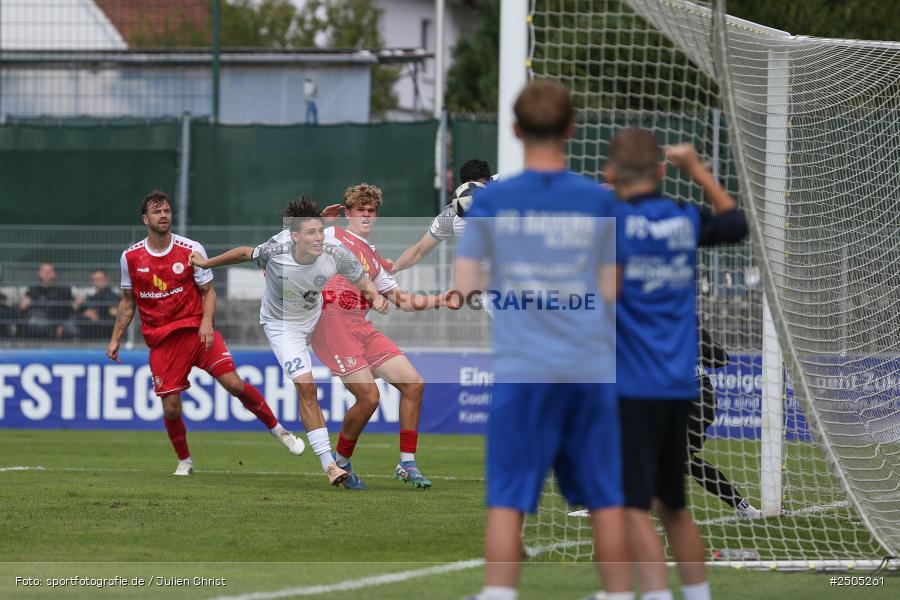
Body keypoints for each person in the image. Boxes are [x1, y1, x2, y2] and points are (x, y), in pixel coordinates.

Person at [454, 80, 630, 600]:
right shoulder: (598, 201)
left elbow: (465, 288)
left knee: (508, 499)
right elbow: (612, 290)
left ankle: (500, 591)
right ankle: (619, 593)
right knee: (604, 497)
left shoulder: (494, 201)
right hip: (588, 370)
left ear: (514, 130)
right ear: (572, 129)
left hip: (523, 371)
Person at [610, 129, 749, 600]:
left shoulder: (613, 225)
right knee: (675, 504)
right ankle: (697, 593)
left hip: (634, 385)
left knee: (631, 506)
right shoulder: (681, 217)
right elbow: (735, 225)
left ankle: (651, 593)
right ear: (662, 170)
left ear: (611, 175)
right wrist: (697, 169)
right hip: (680, 386)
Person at [190, 196, 389, 487]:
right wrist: (206, 262)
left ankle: (352, 432)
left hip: (318, 317)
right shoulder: (277, 249)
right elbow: (245, 252)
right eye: (311, 233)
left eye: (320, 231)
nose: (319, 238)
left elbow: (362, 281)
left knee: (366, 392)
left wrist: (375, 295)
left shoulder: (336, 253)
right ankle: (330, 465)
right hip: (283, 327)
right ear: (294, 237)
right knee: (307, 389)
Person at [107, 190, 306, 477]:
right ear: (145, 218)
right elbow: (128, 301)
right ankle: (184, 460)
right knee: (172, 407)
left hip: (197, 333)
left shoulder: (189, 248)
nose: (163, 215)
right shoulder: (131, 257)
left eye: (167, 210)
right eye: (157, 211)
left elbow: (208, 291)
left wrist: (205, 323)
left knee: (234, 384)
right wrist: (115, 338)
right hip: (162, 340)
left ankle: (280, 431)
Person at [316, 183, 460, 490]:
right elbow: (297, 245)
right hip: (333, 325)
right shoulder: (332, 235)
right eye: (360, 210)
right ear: (349, 213)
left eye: (371, 211)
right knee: (369, 397)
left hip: (361, 327)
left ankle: (407, 463)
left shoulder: (373, 256)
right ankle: (340, 463)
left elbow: (403, 300)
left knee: (414, 384)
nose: (366, 216)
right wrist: (318, 222)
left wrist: (441, 299)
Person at [690, 327, 762, 519]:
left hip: (689, 402)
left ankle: (744, 508)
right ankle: (744, 507)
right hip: (702, 399)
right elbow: (722, 358)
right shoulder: (690, 327)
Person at [391, 159, 493, 273]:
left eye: (482, 186)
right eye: (472, 189)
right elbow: (418, 250)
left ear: (490, 183)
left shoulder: (507, 193)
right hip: (482, 281)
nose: (478, 195)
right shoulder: (451, 216)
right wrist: (394, 268)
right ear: (462, 187)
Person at [20, 262, 74, 339]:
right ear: (39, 273)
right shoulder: (33, 290)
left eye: (49, 272)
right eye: (44, 272)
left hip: (59, 323)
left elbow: (68, 310)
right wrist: (23, 306)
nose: (46, 274)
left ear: (54, 273)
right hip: (39, 323)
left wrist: (60, 325)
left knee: (69, 328)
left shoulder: (63, 290)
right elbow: (23, 308)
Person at [75, 269, 119, 340]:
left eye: (100, 279)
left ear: (106, 279)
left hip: (106, 336)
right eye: (95, 279)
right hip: (88, 334)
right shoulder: (92, 298)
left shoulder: (114, 298)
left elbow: (115, 321)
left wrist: (96, 318)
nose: (97, 282)